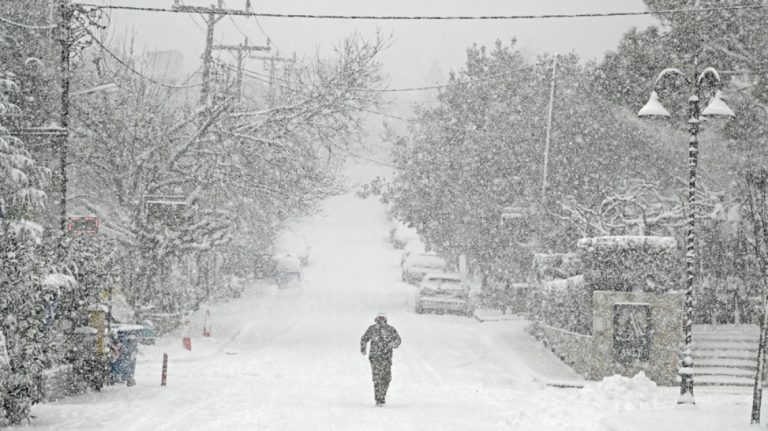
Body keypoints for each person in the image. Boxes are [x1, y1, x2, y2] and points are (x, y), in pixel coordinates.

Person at [360, 312, 401, 406]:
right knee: (377, 378)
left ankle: (382, 396)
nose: (380, 320)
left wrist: (394, 344)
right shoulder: (372, 329)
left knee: (387, 378)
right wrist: (363, 348)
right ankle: (379, 399)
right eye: (379, 318)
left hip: (387, 358)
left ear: (385, 319)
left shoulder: (391, 329)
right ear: (376, 319)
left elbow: (398, 340)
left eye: (382, 318)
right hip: (375, 358)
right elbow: (364, 338)